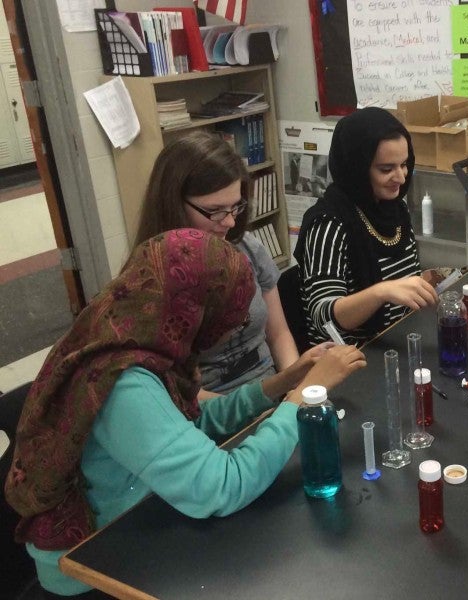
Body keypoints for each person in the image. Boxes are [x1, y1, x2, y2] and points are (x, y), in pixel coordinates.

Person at [4, 229, 366, 596]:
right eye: (233, 320)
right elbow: (221, 486)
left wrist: (279, 384)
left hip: (139, 519)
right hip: (93, 570)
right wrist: (304, 397)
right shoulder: (123, 382)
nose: (232, 331)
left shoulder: (130, 331)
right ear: (196, 310)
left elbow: (188, 424)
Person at [134, 131, 305, 393]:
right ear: (174, 204)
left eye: (235, 207)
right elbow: (177, 393)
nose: (230, 222)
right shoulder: (149, 280)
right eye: (214, 211)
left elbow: (278, 334)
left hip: (269, 384)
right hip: (211, 410)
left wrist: (298, 387)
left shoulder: (248, 247)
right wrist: (263, 402)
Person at [295, 107, 438, 346]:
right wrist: (381, 292)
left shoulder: (393, 208)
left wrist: (422, 284)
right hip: (353, 359)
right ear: (357, 168)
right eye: (386, 169)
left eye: (404, 164)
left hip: (397, 341)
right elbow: (322, 316)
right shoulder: (328, 223)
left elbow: (399, 284)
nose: (401, 178)